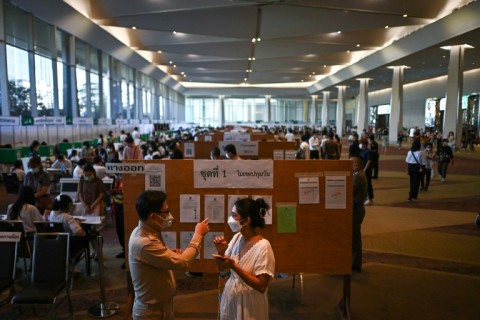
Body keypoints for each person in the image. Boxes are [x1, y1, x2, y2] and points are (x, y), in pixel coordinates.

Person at [129, 190, 210, 319]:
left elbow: (153, 259)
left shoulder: (149, 231)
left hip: (162, 307)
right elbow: (184, 263)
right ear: (153, 216)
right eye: (166, 212)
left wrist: (169, 254)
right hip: (152, 313)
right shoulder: (144, 242)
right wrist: (198, 235)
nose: (169, 215)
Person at [213, 197, 275, 320]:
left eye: (234, 215)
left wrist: (234, 266)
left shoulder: (263, 246)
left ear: (246, 220)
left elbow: (262, 286)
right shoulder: (236, 238)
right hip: (231, 299)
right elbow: (223, 270)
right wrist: (221, 253)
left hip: (250, 304)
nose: (231, 219)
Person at [351, 156, 367, 273]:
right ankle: (354, 263)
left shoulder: (358, 176)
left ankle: (355, 264)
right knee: (355, 236)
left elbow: (348, 189)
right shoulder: (359, 175)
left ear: (356, 164)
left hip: (356, 209)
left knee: (354, 237)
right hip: (357, 208)